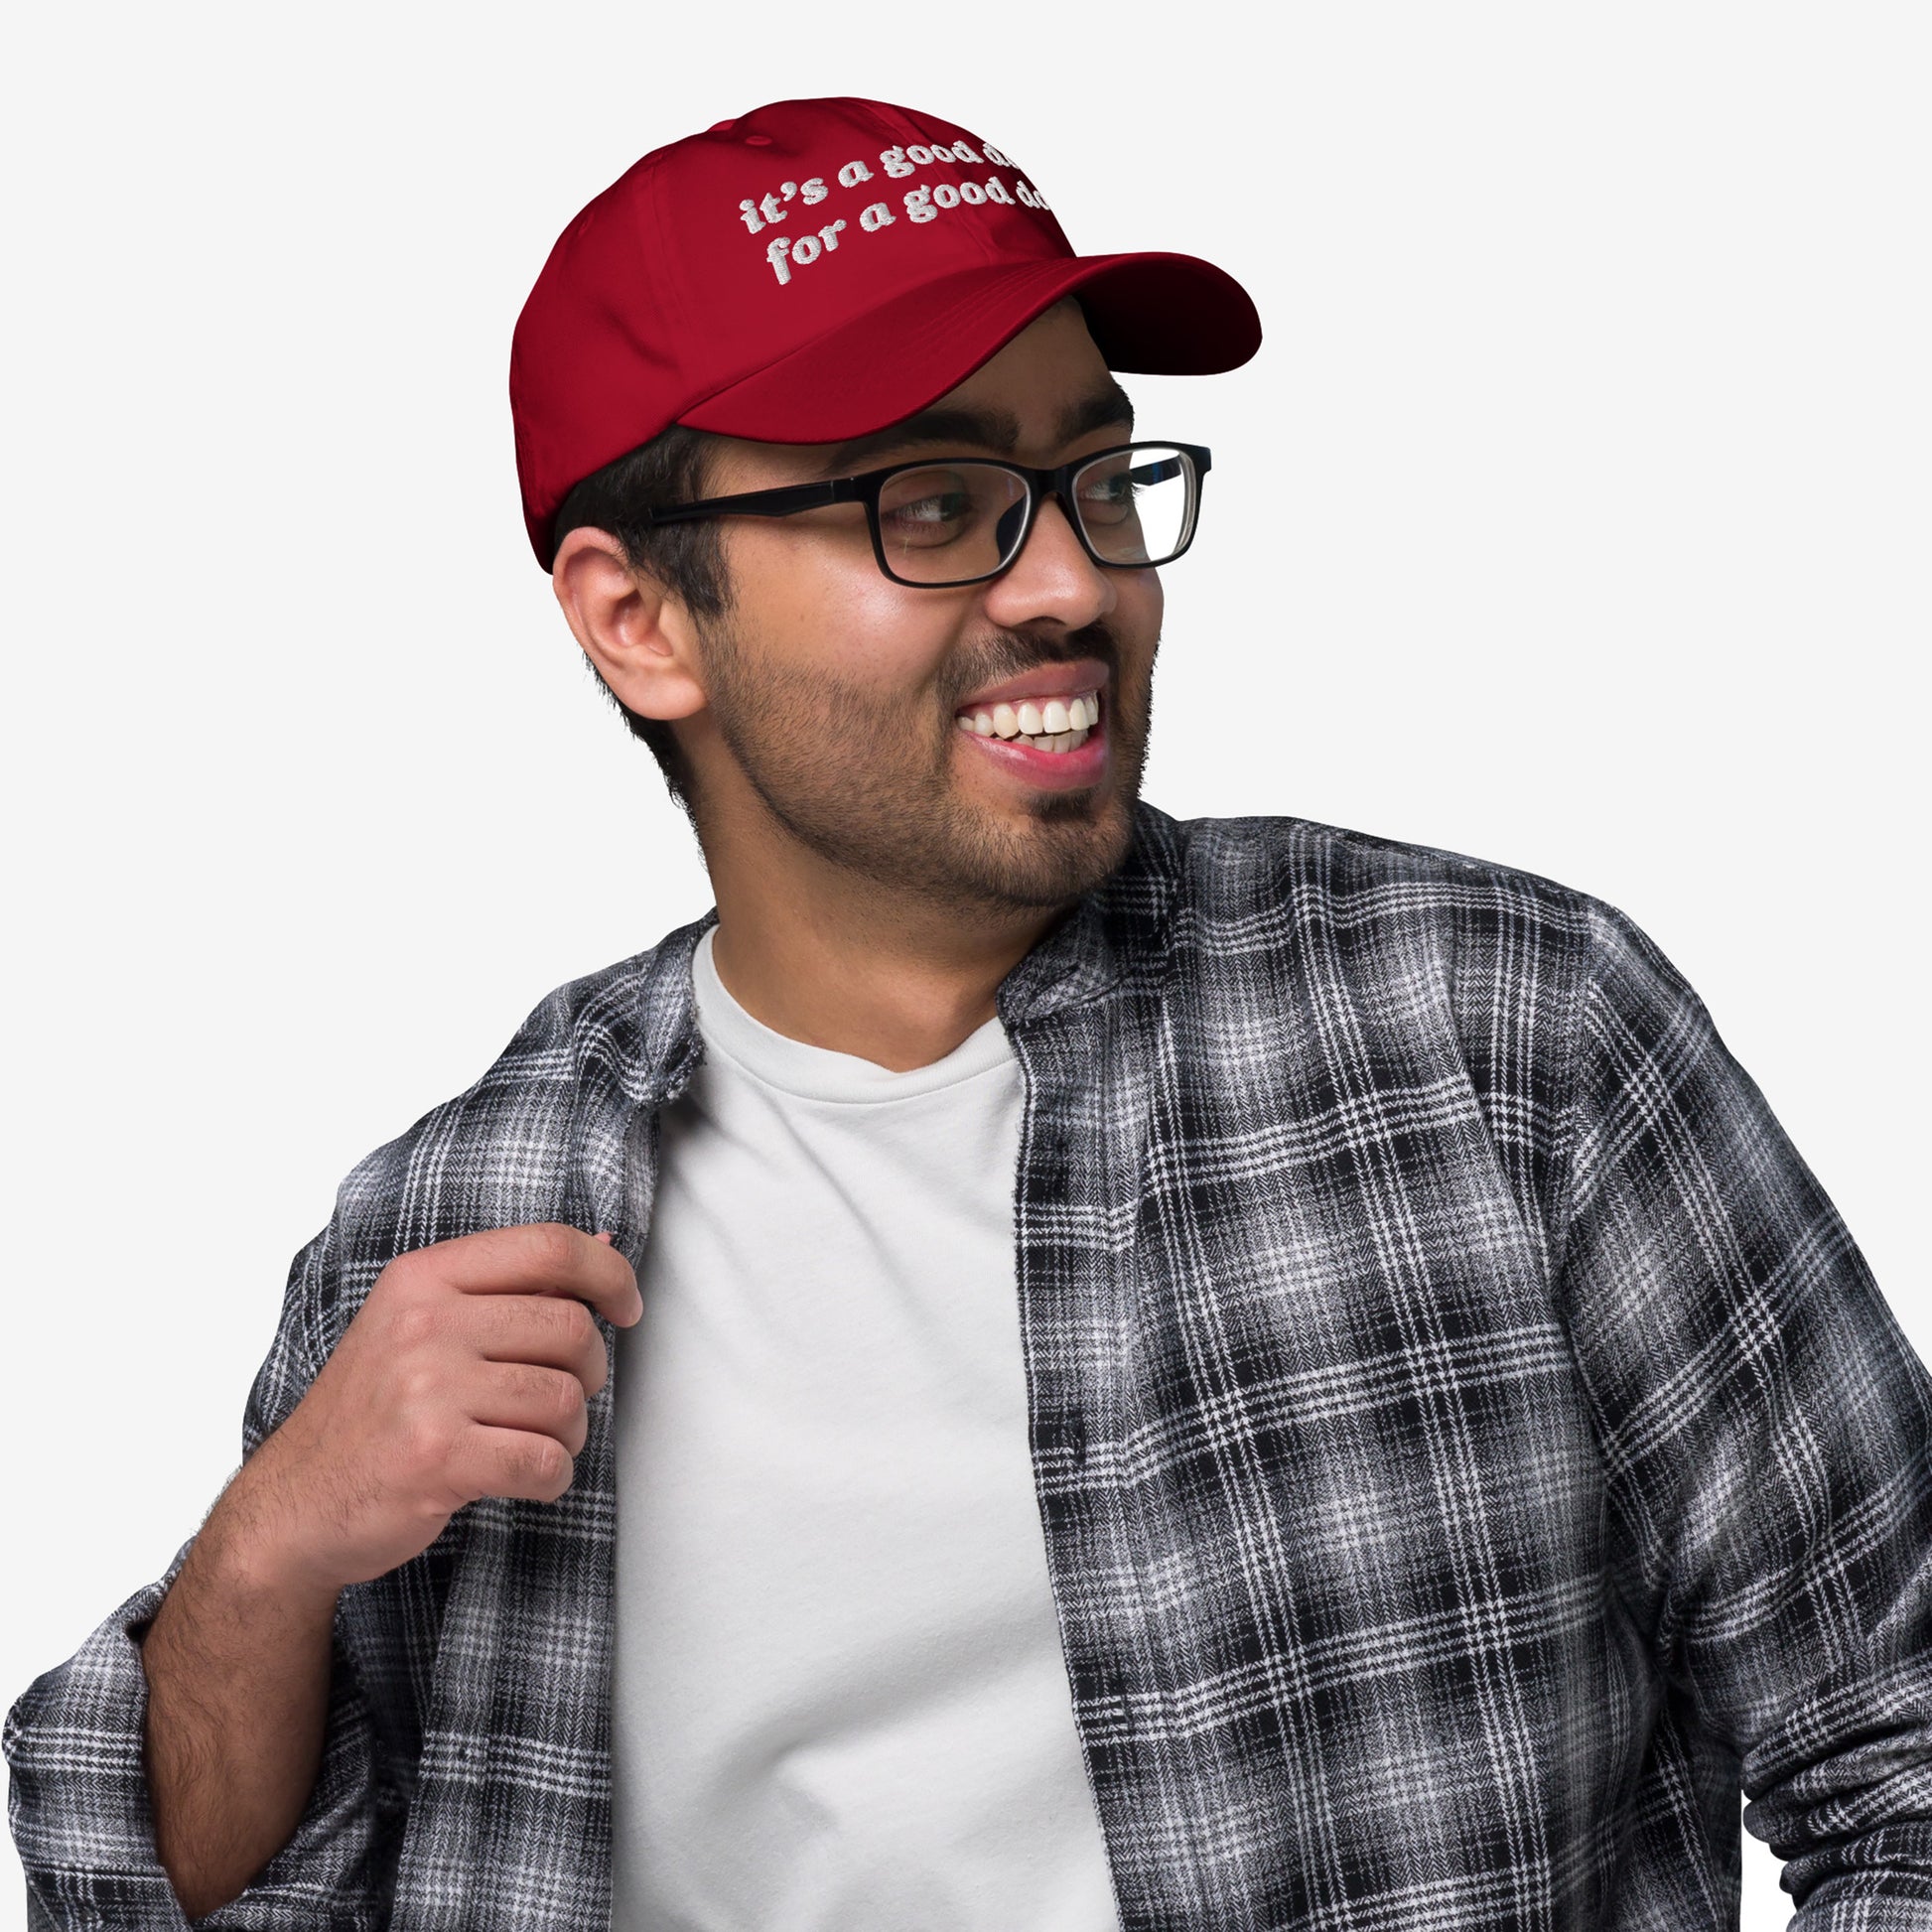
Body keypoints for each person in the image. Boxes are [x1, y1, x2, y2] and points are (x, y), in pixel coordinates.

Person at [8, 91, 1930, 1932]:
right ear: (637, 618)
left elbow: (1900, 1762)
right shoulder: (450, 1224)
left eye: (1094, 476)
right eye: (935, 502)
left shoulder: (1495, 1039)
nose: (1069, 581)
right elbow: (188, 1902)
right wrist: (260, 1562)